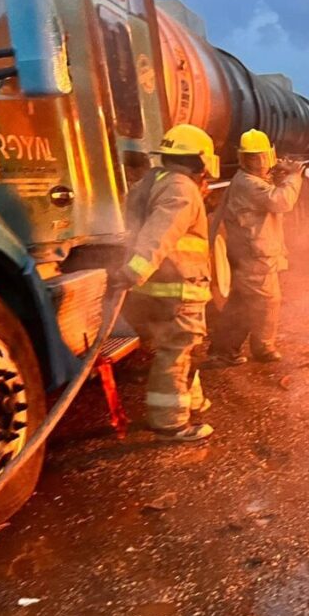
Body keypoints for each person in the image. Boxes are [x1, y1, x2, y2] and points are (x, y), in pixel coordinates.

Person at [113, 124, 220, 442]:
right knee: (176, 351)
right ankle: (170, 423)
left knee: (185, 348)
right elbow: (160, 232)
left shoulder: (152, 181)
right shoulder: (182, 189)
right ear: (200, 160)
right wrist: (134, 270)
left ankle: (193, 401)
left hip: (155, 290)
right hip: (179, 288)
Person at [208, 129, 304, 365]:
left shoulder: (247, 180)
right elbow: (281, 201)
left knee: (241, 303)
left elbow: (268, 195)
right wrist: (293, 177)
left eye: (260, 157)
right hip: (254, 255)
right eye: (252, 157)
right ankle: (263, 348)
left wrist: (278, 177)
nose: (258, 162)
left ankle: (223, 351)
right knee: (267, 301)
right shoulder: (248, 183)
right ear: (243, 159)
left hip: (248, 252)